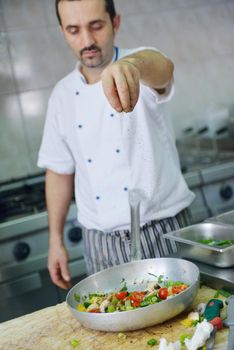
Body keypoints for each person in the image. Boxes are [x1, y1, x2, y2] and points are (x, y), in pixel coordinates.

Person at [37, 0, 195, 289]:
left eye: (96, 26)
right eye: (74, 30)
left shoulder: (142, 63)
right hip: (101, 245)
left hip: (164, 229)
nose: (87, 41)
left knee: (188, 326)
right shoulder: (61, 96)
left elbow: (164, 70)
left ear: (115, 22)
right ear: (62, 32)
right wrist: (55, 240)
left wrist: (131, 67)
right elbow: (59, 171)